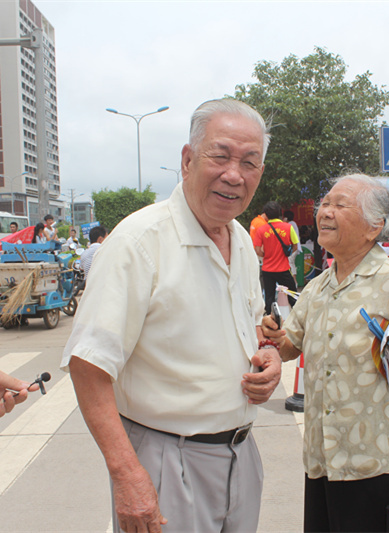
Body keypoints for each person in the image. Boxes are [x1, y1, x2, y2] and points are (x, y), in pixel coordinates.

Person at [61, 99, 282, 533]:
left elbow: (250, 329)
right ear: (187, 159)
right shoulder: (139, 241)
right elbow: (88, 367)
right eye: (220, 156)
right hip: (166, 460)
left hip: (240, 454)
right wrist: (128, 476)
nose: (234, 174)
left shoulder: (240, 240)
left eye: (250, 162)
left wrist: (268, 357)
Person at [261, 174, 389, 533]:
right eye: (324, 203)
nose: (325, 212)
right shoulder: (317, 287)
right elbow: (288, 348)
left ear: (374, 227)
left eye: (339, 205)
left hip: (380, 459)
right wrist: (273, 336)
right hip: (324, 458)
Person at [253, 201, 299, 314]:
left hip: (267, 269)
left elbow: (257, 249)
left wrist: (266, 255)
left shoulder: (261, 230)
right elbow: (295, 246)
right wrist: (286, 254)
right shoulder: (288, 227)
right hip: (283, 269)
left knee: (269, 297)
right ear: (280, 213)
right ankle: (297, 317)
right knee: (292, 294)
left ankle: (270, 321)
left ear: (266, 215)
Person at [284, 210, 302, 280]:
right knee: (291, 263)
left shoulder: (290, 224)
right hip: (294, 246)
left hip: (293, 247)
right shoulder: (293, 223)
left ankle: (294, 281)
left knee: (290, 263)